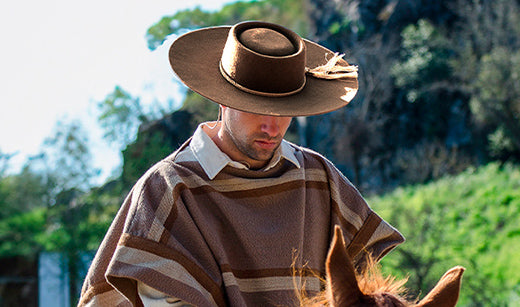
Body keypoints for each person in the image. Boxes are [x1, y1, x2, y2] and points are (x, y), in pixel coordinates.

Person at [78, 21, 404, 307]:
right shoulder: (169, 188)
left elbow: (358, 288)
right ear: (223, 98)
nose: (272, 127)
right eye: (256, 108)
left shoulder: (318, 177)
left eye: (283, 110)